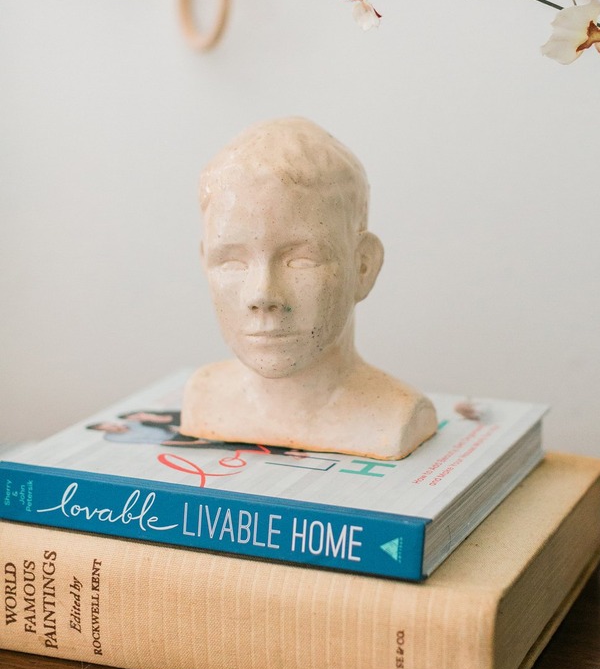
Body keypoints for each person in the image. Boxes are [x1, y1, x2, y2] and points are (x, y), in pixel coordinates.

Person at [181, 117, 437, 460]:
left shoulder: (394, 417)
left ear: (363, 266)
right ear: (205, 262)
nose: (262, 295)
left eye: (300, 261)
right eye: (232, 262)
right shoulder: (202, 396)